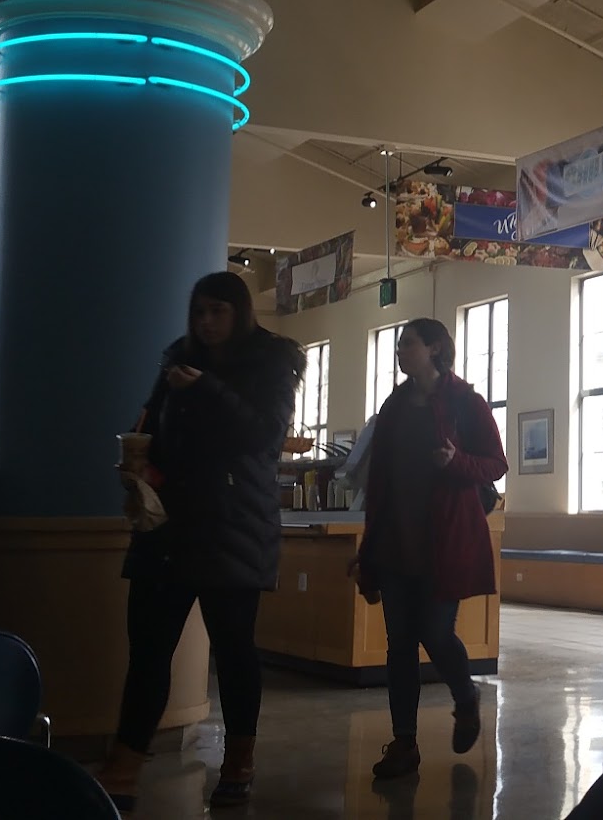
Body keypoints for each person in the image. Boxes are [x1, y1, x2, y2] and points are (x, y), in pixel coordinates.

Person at [95, 274, 304, 813]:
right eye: (199, 312)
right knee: (148, 651)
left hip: (233, 525)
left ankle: (239, 762)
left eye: (217, 311)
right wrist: (139, 461)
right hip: (168, 526)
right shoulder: (177, 360)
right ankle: (124, 764)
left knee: (234, 652)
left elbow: (265, 436)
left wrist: (208, 388)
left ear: (240, 312)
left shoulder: (269, 362)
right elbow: (149, 422)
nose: (206, 322)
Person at [355, 318, 509, 780]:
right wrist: (368, 546)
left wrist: (458, 462)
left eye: (408, 344)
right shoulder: (394, 406)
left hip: (445, 540)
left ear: (435, 349)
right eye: (400, 345)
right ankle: (404, 744)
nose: (400, 352)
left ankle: (466, 696)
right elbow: (379, 480)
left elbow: (496, 463)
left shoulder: (466, 402)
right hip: (395, 542)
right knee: (399, 645)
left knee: (436, 633)